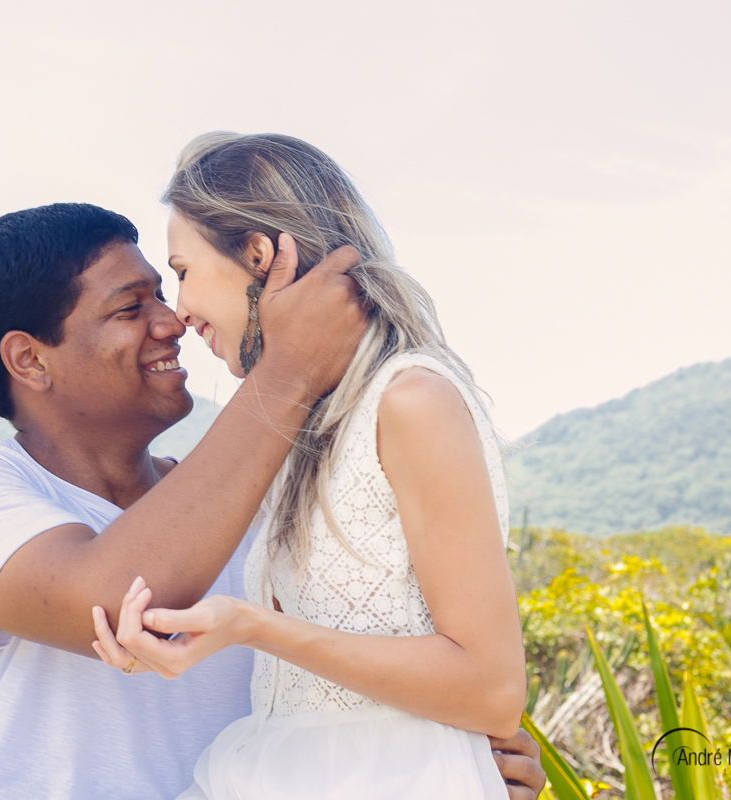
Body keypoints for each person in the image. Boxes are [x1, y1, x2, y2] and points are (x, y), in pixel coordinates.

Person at [0, 202, 545, 799]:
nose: (171, 320)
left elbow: (327, 709)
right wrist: (291, 366)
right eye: (129, 308)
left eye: (163, 291)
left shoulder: (256, 510)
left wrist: (446, 760)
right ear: (29, 360)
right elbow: (118, 603)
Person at [91, 133, 527, 800]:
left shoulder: (411, 401)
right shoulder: (302, 427)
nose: (179, 313)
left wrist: (251, 627)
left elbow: (492, 688)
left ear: (259, 256)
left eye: (182, 272)